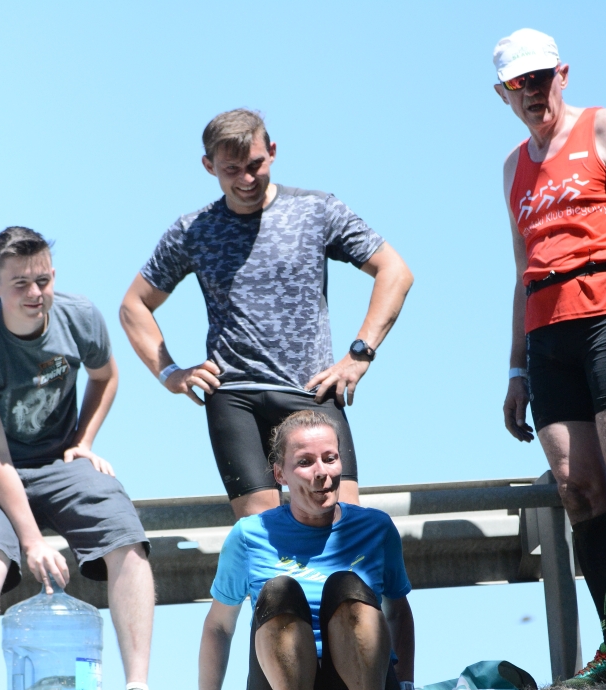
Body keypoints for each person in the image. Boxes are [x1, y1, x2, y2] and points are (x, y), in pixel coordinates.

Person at [120, 108, 413, 520]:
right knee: (262, 534)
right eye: (232, 169)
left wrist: (359, 354)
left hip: (310, 391)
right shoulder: (193, 230)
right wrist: (171, 373)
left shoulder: (317, 210)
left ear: (272, 152)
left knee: (343, 525)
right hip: (235, 398)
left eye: (255, 165)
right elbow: (134, 305)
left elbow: (395, 271)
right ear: (209, 166)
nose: (246, 179)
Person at [169, 410, 455, 690]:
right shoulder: (249, 535)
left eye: (330, 458)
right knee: (279, 591)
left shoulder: (376, 527)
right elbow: (219, 626)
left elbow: (397, 610)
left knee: (347, 584)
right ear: (280, 474)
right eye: (305, 462)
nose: (322, 472)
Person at [0, 227, 157, 690]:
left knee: (128, 539)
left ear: (54, 276)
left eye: (42, 280)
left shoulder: (79, 316)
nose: (34, 293)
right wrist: (32, 540)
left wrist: (83, 441)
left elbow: (106, 376)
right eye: (20, 283)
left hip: (59, 463)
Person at [495, 29, 606, 684]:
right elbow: (521, 269)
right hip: (547, 330)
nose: (532, 91)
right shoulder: (512, 167)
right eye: (518, 83)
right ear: (502, 94)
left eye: (540, 77)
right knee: (576, 486)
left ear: (562, 75)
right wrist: (515, 367)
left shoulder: (603, 127)